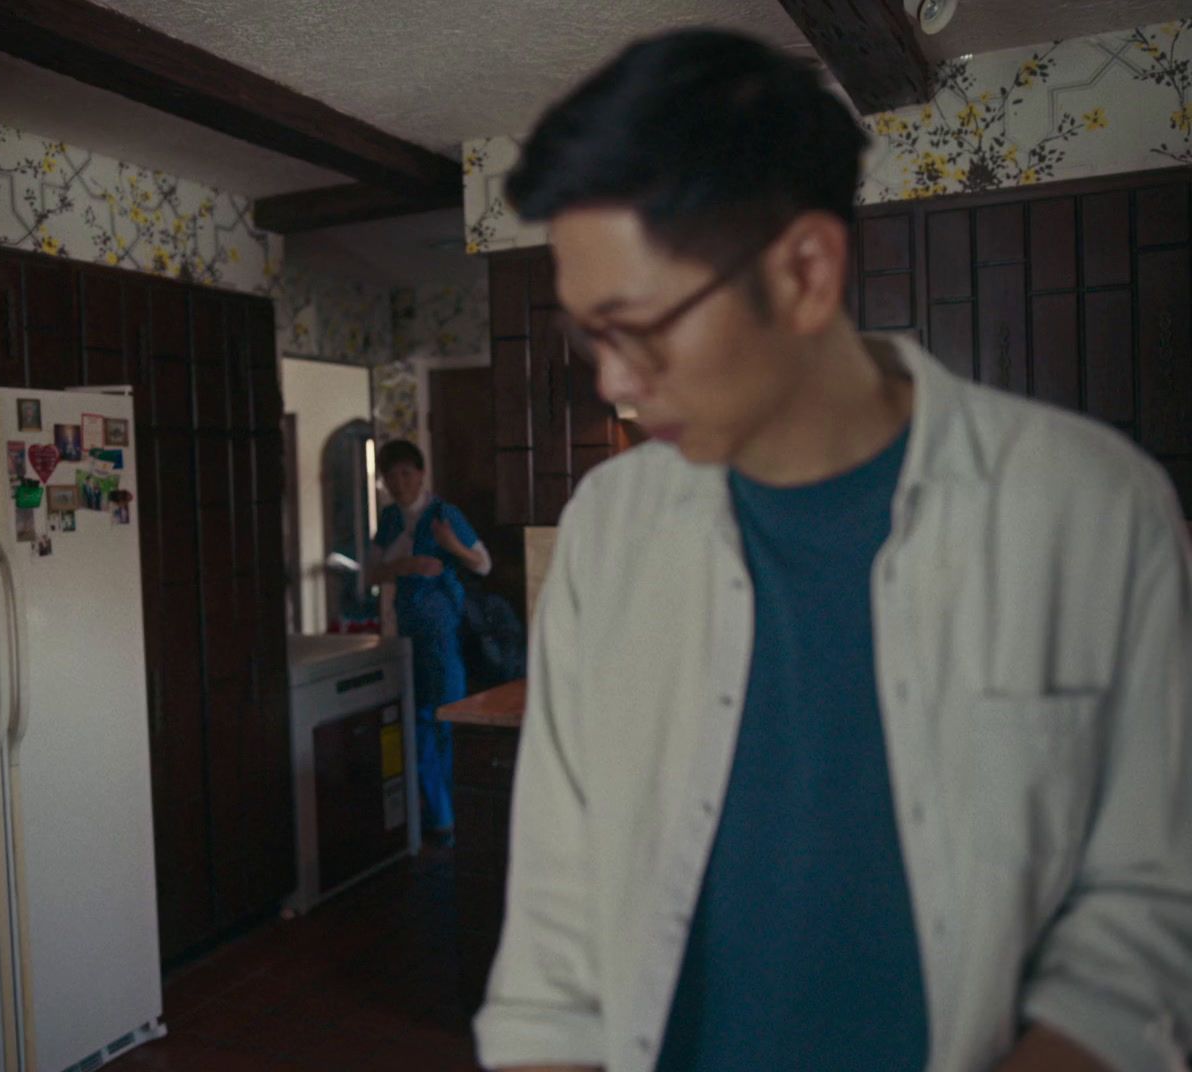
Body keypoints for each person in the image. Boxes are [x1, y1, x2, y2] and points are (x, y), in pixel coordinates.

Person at [474, 28, 1192, 1072]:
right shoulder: (608, 531)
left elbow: (1149, 913)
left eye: (640, 327)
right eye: (592, 336)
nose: (615, 385)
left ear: (807, 271)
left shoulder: (1092, 509)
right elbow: (554, 924)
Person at [365, 439, 492, 842]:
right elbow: (370, 575)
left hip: (442, 632)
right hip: (405, 631)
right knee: (415, 722)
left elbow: (483, 563)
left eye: (406, 473)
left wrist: (451, 545)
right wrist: (406, 566)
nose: (399, 482)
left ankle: (460, 816)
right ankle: (439, 817)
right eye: (390, 475)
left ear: (421, 474)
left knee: (446, 718)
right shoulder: (388, 519)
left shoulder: (443, 513)